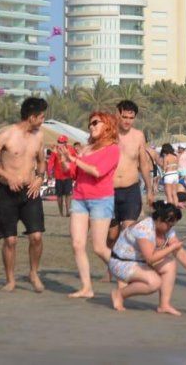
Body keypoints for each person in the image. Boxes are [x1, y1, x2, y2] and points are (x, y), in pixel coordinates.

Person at [0, 97, 48, 292]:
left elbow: (42, 161)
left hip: (30, 191)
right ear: (32, 116)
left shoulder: (39, 136)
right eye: (42, 117)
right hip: (7, 193)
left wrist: (40, 177)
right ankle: (10, 279)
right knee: (10, 240)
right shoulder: (7, 134)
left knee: (36, 236)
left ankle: (33, 272)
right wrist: (7, 176)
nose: (43, 120)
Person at [109, 202, 186, 315]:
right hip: (121, 263)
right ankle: (119, 294)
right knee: (154, 282)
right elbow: (150, 258)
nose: (170, 228)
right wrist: (172, 247)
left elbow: (180, 253)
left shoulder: (166, 230)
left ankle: (164, 305)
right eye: (169, 224)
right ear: (159, 219)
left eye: (172, 225)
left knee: (170, 264)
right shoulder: (145, 228)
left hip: (139, 261)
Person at [58, 111, 120, 299]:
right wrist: (64, 160)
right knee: (77, 244)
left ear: (107, 125)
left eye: (96, 123)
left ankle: (124, 272)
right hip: (80, 198)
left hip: (101, 199)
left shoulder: (113, 148)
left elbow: (98, 171)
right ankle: (87, 287)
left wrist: (74, 159)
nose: (91, 126)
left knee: (99, 247)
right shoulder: (85, 149)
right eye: (90, 124)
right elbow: (73, 173)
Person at [107, 100, 155, 255]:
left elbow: (144, 164)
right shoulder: (107, 134)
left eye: (131, 118)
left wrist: (149, 190)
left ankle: (124, 265)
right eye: (124, 116)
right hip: (109, 190)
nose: (127, 121)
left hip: (131, 190)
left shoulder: (138, 136)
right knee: (112, 234)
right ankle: (110, 265)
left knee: (128, 229)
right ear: (117, 114)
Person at [47, 135, 77, 217]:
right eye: (59, 142)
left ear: (66, 143)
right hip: (58, 176)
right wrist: (49, 172)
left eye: (61, 142)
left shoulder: (70, 149)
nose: (60, 144)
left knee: (68, 194)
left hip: (68, 175)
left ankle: (68, 211)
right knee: (59, 195)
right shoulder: (55, 150)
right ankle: (61, 212)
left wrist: (74, 171)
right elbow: (50, 162)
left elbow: (75, 159)